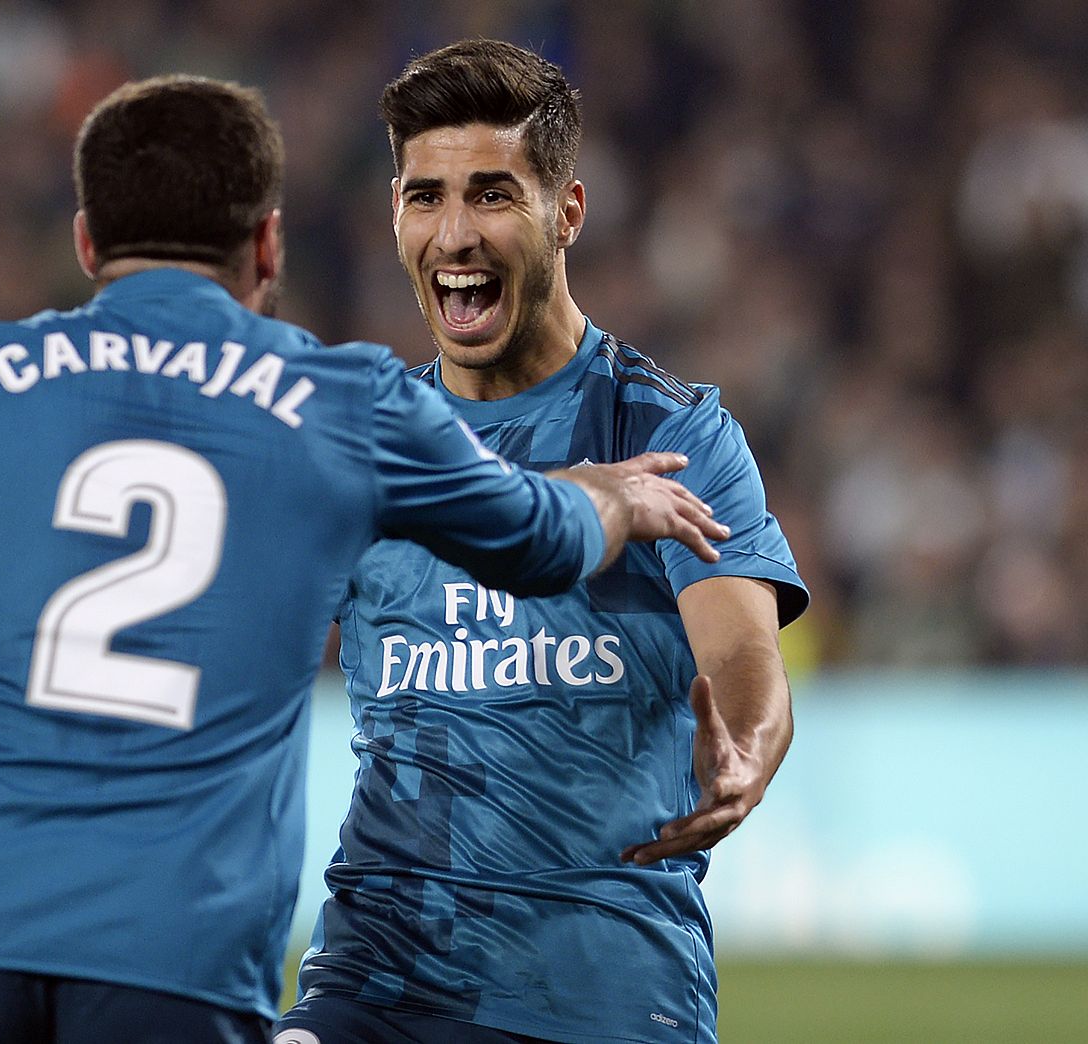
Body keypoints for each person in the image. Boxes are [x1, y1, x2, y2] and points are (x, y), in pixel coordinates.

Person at [0, 73, 731, 1044]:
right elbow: (541, 542)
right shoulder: (339, 404)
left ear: (86, 244)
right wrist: (614, 495)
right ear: (267, 243)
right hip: (175, 957)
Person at [273, 40, 808, 1044]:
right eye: (425, 197)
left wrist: (744, 747)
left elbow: (740, 651)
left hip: (602, 982)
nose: (454, 233)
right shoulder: (360, 445)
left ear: (565, 212)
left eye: (490, 195)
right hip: (376, 975)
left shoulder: (667, 431)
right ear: (394, 211)